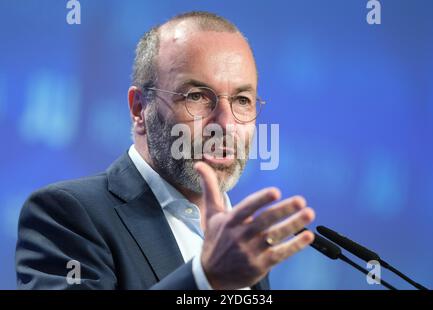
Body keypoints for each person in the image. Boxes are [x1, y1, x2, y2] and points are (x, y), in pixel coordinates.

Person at [16, 11, 315, 290]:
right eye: (196, 96)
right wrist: (205, 278)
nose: (225, 124)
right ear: (139, 109)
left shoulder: (239, 239)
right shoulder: (67, 215)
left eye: (242, 101)